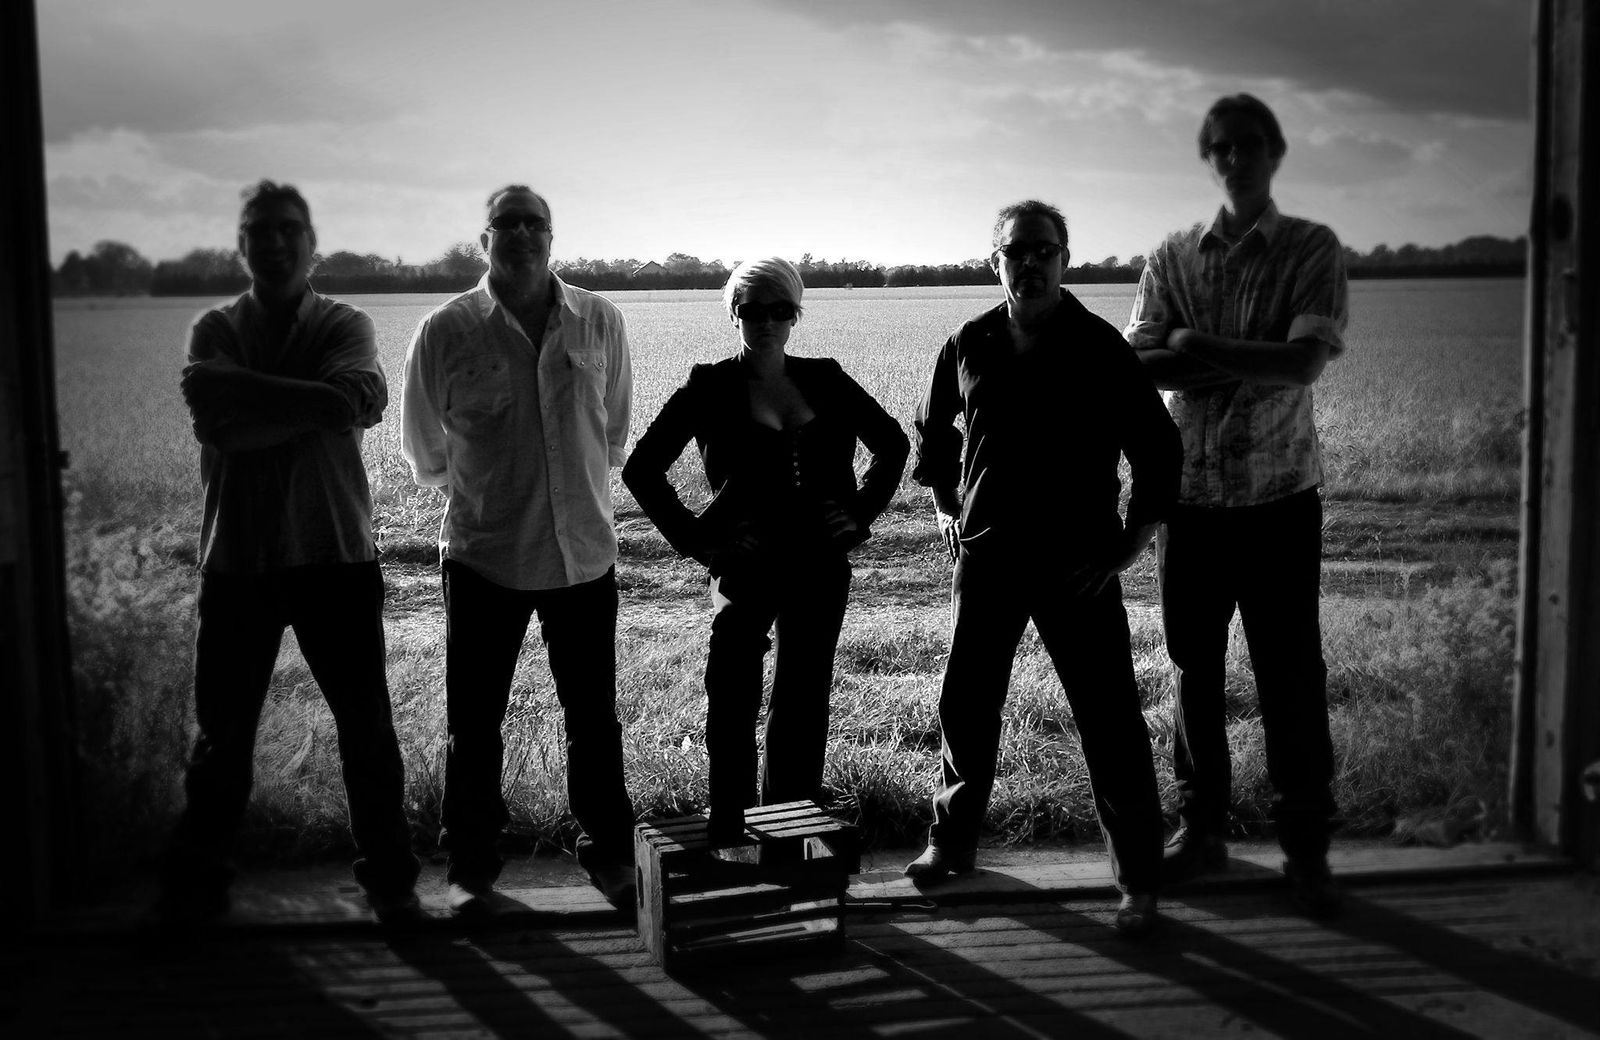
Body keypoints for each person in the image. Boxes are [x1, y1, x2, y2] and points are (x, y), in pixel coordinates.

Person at [907, 201, 1181, 937]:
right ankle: (951, 843)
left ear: (1064, 258)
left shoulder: (1099, 346)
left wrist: (1128, 546)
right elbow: (935, 434)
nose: (1029, 263)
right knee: (967, 705)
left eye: (1044, 250)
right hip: (988, 557)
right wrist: (946, 507)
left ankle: (1139, 880)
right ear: (994, 260)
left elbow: (1158, 447)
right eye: (1016, 251)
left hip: (1077, 564)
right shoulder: (968, 342)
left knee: (1110, 718)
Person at [164, 179, 420, 925]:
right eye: (259, 230)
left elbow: (345, 404)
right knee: (222, 739)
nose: (274, 242)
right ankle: (199, 889)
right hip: (237, 561)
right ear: (241, 246)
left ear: (312, 245)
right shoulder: (215, 327)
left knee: (365, 730)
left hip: (334, 555)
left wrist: (240, 388)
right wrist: (316, 403)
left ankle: (392, 883)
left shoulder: (345, 322)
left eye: (287, 229)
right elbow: (224, 428)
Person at [1124, 93, 1349, 918]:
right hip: (1190, 502)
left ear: (1275, 150)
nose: (1235, 158)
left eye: (1249, 143)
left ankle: (1306, 850)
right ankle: (1203, 831)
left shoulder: (1311, 247)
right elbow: (1137, 368)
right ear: (1207, 156)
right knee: (1193, 672)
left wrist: (1192, 343)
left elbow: (1302, 367)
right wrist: (1246, 357)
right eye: (1220, 146)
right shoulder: (1172, 255)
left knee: (1292, 676)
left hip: (1280, 500)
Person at [401, 185, 637, 913]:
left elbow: (613, 433)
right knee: (474, 724)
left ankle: (610, 853)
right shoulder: (446, 331)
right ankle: (472, 867)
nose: (523, 233)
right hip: (485, 559)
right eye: (507, 223)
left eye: (536, 223)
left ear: (552, 236)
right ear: (485, 239)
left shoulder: (599, 320)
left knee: (593, 718)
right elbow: (426, 451)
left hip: (582, 556)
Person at [622, 258, 908, 843]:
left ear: (795, 314)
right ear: (734, 314)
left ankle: (791, 826)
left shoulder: (826, 378)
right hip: (744, 562)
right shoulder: (709, 386)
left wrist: (858, 513)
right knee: (731, 693)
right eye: (752, 309)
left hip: (818, 561)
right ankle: (729, 824)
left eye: (781, 309)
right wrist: (701, 542)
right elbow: (642, 469)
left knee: (803, 696)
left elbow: (893, 444)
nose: (767, 321)